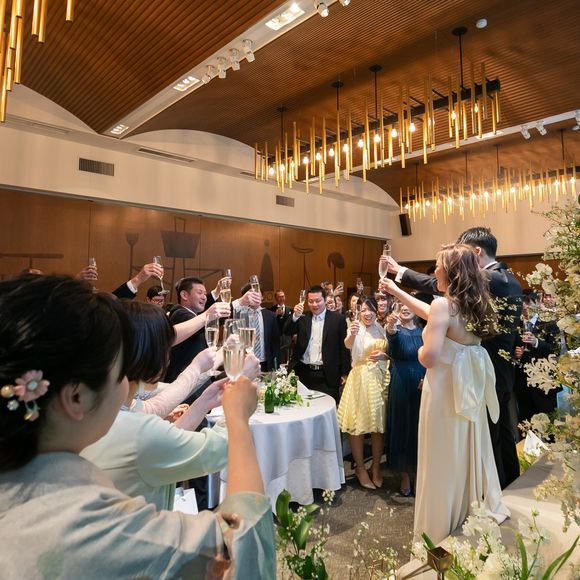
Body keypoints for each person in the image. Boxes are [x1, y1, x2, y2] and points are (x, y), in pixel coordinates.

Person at [0, 274, 275, 578]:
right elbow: (242, 549)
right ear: (76, 397)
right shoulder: (97, 526)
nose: (129, 382)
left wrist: (201, 401)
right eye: (121, 370)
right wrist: (238, 419)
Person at [382, 244, 509, 544]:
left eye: (438, 265)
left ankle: (438, 525)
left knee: (440, 455)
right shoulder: (474, 304)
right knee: (460, 450)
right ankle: (464, 510)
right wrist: (397, 291)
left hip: (442, 391)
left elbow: (429, 357)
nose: (435, 269)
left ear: (450, 272)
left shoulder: (444, 305)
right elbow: (432, 312)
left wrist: (421, 348)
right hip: (466, 390)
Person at [82, 301, 259, 511]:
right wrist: (238, 404)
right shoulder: (139, 432)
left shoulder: (100, 410)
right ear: (148, 351)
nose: (169, 355)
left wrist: (203, 402)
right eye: (166, 346)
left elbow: (163, 443)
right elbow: (218, 451)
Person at [336, 297, 389, 489]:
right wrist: (351, 334)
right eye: (364, 310)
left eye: (371, 309)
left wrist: (384, 356)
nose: (368, 313)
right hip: (360, 379)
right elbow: (348, 344)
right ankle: (360, 468)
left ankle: (376, 466)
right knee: (357, 424)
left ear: (377, 311)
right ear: (359, 312)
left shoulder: (381, 329)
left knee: (378, 426)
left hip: (379, 380)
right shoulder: (355, 327)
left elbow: (389, 353)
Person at [285, 285, 350, 403]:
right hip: (303, 373)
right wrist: (295, 316)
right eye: (311, 301)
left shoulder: (338, 320)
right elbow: (287, 331)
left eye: (318, 301)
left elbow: (344, 348)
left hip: (327, 375)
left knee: (327, 408)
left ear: (325, 300)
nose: (314, 304)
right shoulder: (302, 318)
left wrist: (345, 373)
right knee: (302, 407)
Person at [384, 305, 425, 496]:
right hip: (400, 380)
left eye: (409, 306)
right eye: (401, 306)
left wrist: (428, 377)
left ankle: (420, 473)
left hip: (422, 382)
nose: (405, 308)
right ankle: (404, 475)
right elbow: (392, 337)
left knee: (419, 428)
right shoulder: (395, 329)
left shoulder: (424, 331)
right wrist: (391, 326)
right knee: (401, 425)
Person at [165, 276, 230, 383]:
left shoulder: (192, 314)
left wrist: (216, 292)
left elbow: (204, 313)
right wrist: (239, 303)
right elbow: (207, 319)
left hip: (196, 378)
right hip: (183, 381)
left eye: (205, 294)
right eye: (199, 293)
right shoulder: (180, 314)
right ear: (184, 295)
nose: (204, 297)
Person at [236, 283, 280, 372]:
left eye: (257, 292)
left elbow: (275, 344)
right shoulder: (240, 316)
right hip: (245, 364)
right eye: (251, 293)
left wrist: (276, 366)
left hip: (266, 364)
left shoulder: (271, 316)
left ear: (262, 296)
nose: (255, 295)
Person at [269, 289, 293, 364]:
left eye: (283, 296)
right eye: (279, 297)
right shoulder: (271, 309)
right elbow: (269, 323)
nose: (281, 298)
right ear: (276, 298)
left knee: (287, 355)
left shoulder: (290, 309)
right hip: (276, 336)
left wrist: (294, 334)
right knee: (277, 354)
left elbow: (293, 322)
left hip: (287, 336)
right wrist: (275, 315)